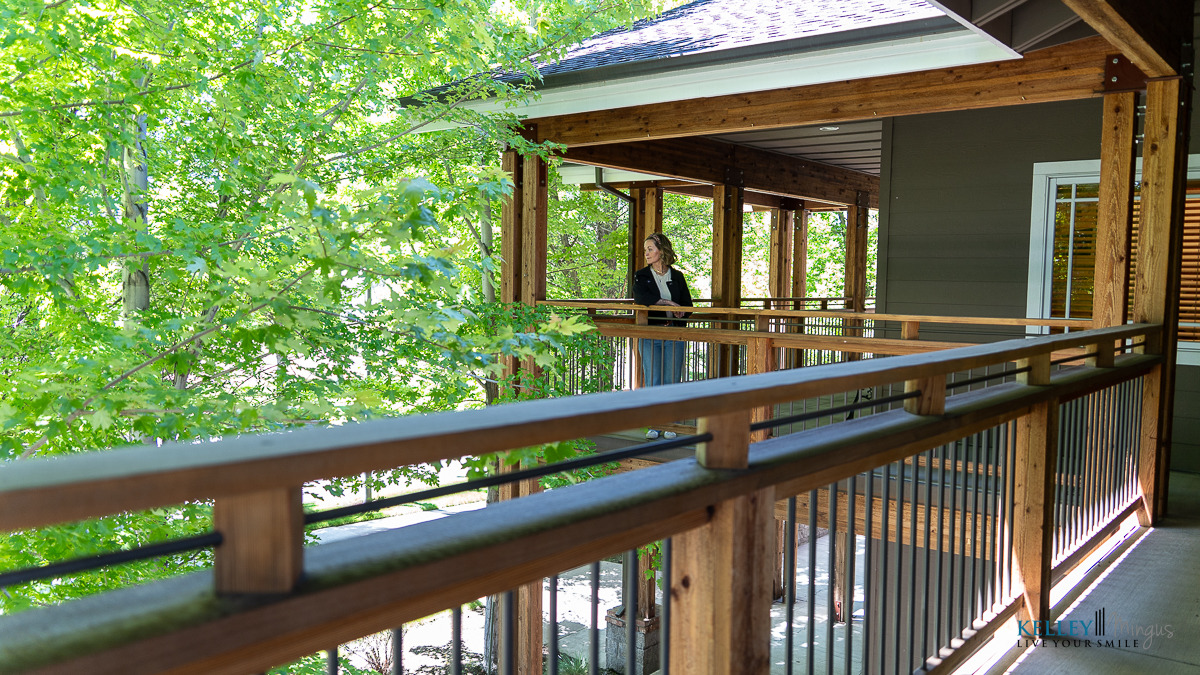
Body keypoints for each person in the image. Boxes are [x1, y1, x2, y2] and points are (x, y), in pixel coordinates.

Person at [632, 232, 693, 439]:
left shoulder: (677, 276)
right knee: (653, 380)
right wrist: (667, 303)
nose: (646, 253)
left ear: (661, 251)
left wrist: (681, 310)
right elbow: (641, 298)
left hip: (673, 334)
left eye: (650, 249)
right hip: (650, 335)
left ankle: (671, 425)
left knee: (671, 379)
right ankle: (654, 425)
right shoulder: (642, 275)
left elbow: (688, 305)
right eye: (645, 250)